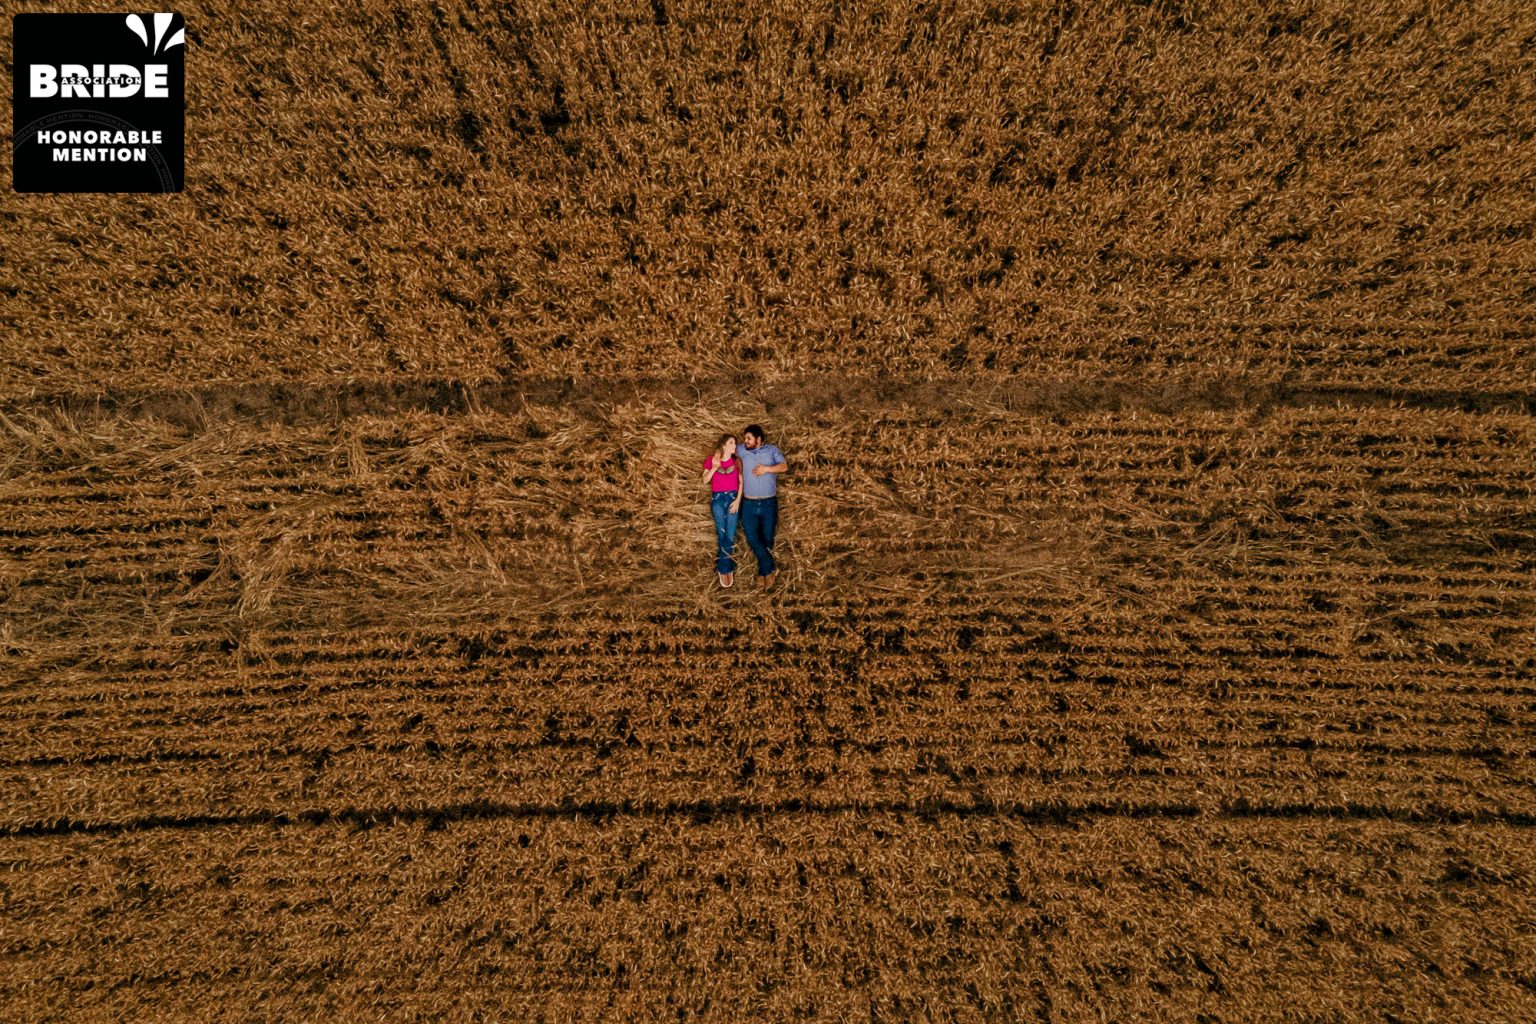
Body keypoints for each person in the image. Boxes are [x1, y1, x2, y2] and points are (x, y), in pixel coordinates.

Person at [736, 424, 787, 588]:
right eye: (744, 438)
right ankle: (769, 568)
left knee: (767, 539)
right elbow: (724, 450)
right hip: (748, 504)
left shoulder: (772, 450)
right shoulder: (741, 450)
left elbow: (784, 466)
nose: (745, 441)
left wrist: (767, 469)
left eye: (749, 438)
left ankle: (762, 572)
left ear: (758, 439)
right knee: (752, 538)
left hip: (768, 503)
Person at [701, 433, 743, 588]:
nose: (734, 446)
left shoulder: (737, 461)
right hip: (718, 500)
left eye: (735, 443)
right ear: (724, 445)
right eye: (731, 443)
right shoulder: (712, 460)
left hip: (733, 499)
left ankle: (723, 568)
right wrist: (714, 466)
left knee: (730, 535)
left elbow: (741, 483)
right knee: (722, 532)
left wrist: (738, 501)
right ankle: (727, 568)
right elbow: (705, 480)